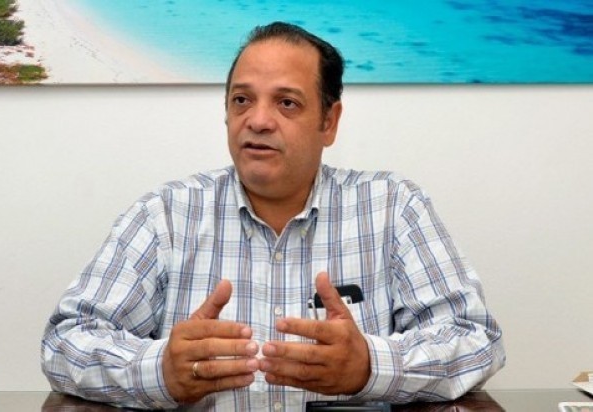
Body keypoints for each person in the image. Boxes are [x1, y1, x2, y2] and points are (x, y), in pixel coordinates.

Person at [41, 21, 505, 409]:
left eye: (287, 103)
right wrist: (158, 370)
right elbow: (65, 341)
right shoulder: (166, 215)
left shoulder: (392, 208)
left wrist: (370, 365)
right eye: (242, 100)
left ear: (329, 121)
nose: (258, 120)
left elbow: (475, 339)